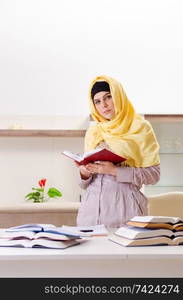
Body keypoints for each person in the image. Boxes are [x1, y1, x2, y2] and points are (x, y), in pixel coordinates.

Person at [76, 75, 160, 228]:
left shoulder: (140, 128)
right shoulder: (94, 132)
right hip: (90, 215)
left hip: (126, 212)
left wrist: (115, 171)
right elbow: (84, 184)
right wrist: (84, 173)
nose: (104, 105)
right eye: (98, 101)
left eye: (108, 97)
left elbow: (154, 175)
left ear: (118, 96)